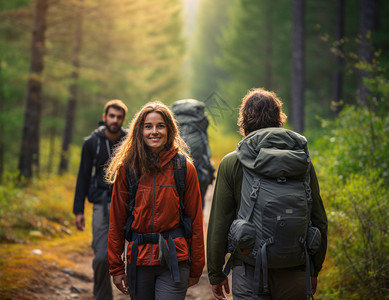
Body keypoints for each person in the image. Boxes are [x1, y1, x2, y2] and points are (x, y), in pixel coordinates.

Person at [207, 88, 328, 300]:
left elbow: (220, 222)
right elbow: (318, 219)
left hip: (249, 268)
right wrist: (314, 268)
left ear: (244, 121)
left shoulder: (232, 162)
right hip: (296, 266)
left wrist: (216, 273)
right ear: (279, 119)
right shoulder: (301, 160)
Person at [105, 101, 205, 299]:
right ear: (139, 131)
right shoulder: (127, 169)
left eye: (160, 126)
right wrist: (116, 267)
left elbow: (196, 222)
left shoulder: (184, 169)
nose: (154, 132)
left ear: (169, 130)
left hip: (175, 260)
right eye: (148, 126)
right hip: (138, 261)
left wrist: (197, 266)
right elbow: (116, 221)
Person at [73, 99, 128, 300]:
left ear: (123, 119)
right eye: (111, 116)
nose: (115, 120)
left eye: (119, 117)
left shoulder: (129, 141)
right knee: (101, 257)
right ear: (105, 117)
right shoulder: (92, 143)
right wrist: (78, 210)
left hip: (128, 204)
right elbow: (83, 176)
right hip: (101, 205)